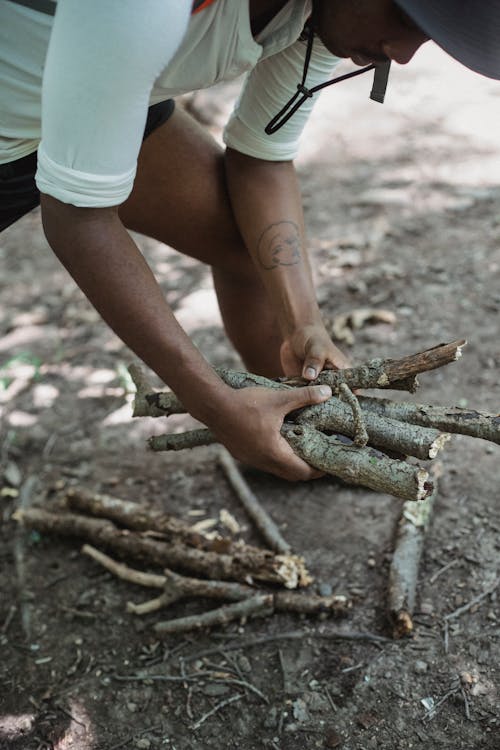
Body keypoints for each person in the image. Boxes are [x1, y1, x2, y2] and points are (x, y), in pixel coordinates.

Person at [1, 1, 499, 480]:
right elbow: (78, 218)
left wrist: (304, 323)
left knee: (250, 247)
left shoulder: (328, 16)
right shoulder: (146, 7)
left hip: (91, 100)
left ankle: (289, 428)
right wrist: (215, 405)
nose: (406, 51)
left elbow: (261, 159)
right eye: (404, 14)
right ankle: (246, 424)